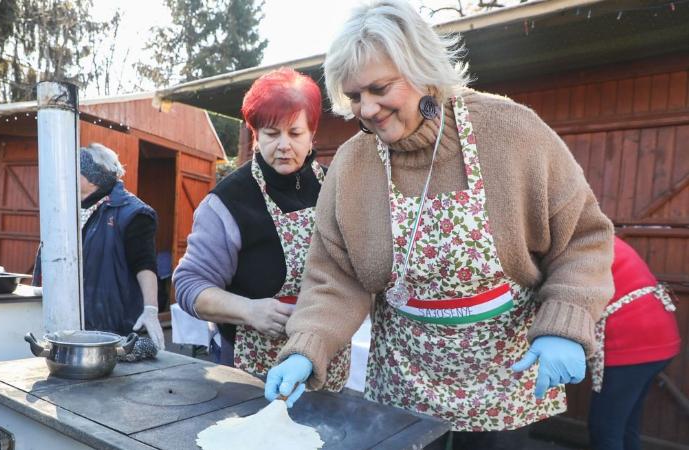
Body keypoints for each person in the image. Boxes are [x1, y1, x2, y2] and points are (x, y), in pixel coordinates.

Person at [263, 0, 615, 446]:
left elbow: (583, 238)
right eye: (354, 96)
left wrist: (566, 321)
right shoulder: (352, 165)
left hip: (503, 381)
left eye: (379, 88)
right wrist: (307, 344)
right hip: (403, 383)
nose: (366, 109)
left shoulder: (511, 131)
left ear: (421, 66)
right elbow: (335, 277)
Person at [173, 68, 351, 389]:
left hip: (325, 356)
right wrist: (249, 310)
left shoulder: (337, 188)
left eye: (295, 133)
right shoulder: (229, 201)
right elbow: (188, 285)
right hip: (251, 364)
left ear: (312, 134)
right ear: (255, 135)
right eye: (271, 133)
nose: (284, 145)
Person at [34, 143, 165, 350]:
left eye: (75, 169)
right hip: (69, 322)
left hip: (113, 329)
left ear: (93, 177)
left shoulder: (133, 213)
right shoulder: (66, 209)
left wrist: (150, 308)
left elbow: (145, 263)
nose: (66, 174)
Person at [588, 237, 680, 450]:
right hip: (658, 333)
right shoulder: (601, 234)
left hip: (633, 338)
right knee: (625, 423)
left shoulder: (584, 240)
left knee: (604, 429)